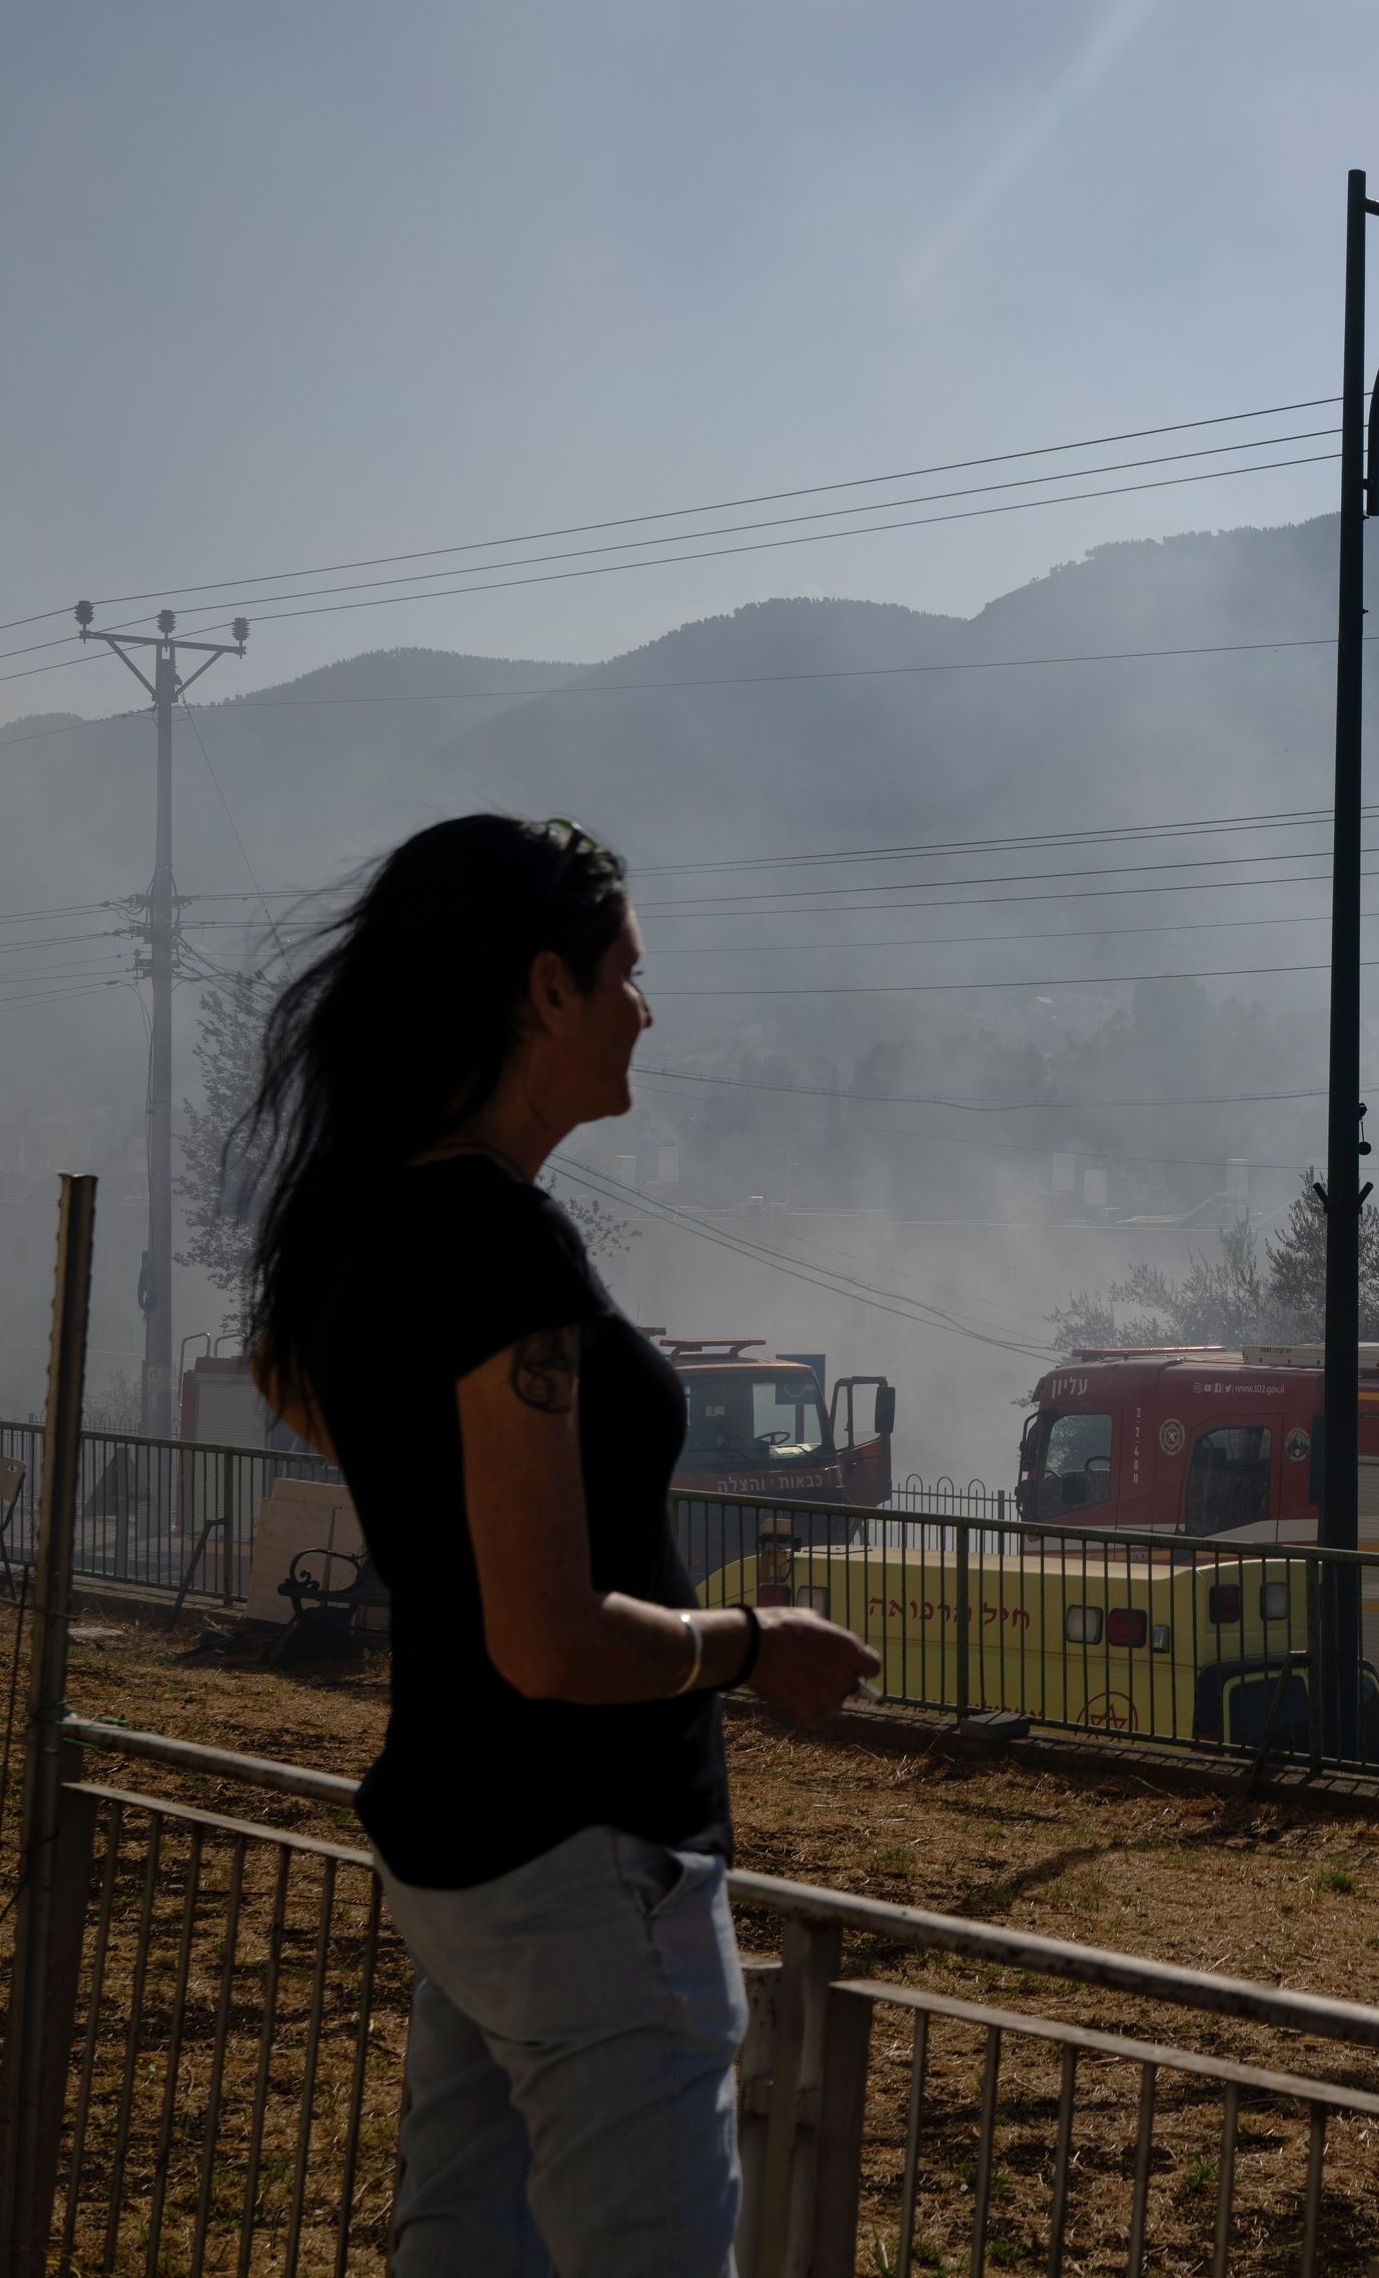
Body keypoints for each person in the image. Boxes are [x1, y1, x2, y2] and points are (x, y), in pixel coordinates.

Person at [246, 814, 882, 2277]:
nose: (645, 1012)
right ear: (546, 991)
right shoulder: (502, 1249)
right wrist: (752, 1647)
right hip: (591, 1874)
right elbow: (548, 1637)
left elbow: (344, 1418)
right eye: (628, 976)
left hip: (461, 1855)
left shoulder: (373, 1225)